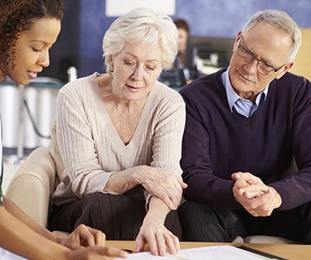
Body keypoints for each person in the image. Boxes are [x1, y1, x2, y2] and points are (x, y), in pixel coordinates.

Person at [0, 0, 128, 259]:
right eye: (37, 47)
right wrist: (63, 257)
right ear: (1, 34)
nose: (46, 60)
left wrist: (55, 240)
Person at [49, 7, 187, 256]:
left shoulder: (170, 103)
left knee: (166, 220)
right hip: (84, 205)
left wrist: (154, 221)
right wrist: (140, 174)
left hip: (142, 207)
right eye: (129, 62)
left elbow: (167, 179)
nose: (138, 76)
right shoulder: (75, 96)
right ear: (112, 59)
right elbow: (83, 182)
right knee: (101, 207)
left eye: (150, 67)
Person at [178, 9, 311, 243]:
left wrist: (276, 195)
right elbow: (193, 175)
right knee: (193, 211)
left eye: (266, 65)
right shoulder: (193, 97)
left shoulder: (299, 93)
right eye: (247, 52)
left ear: (284, 69)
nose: (250, 69)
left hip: (280, 207)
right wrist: (237, 192)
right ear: (238, 39)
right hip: (223, 208)